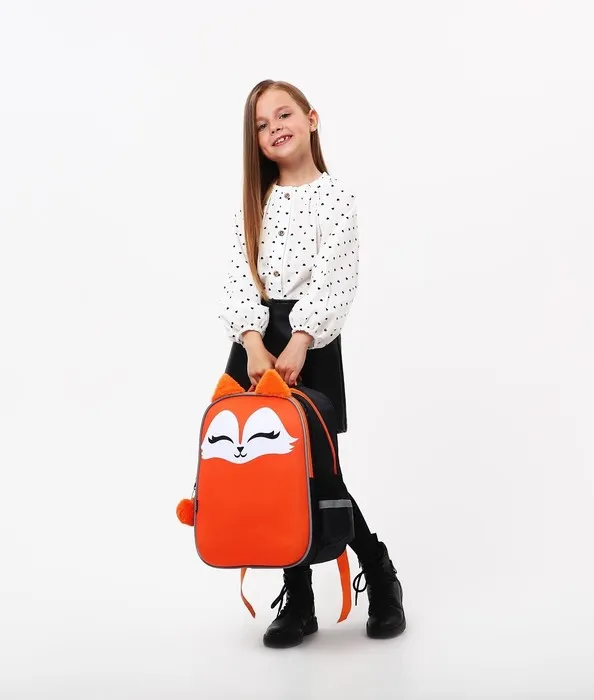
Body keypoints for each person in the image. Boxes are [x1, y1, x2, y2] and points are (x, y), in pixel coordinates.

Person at [217, 79, 406, 648]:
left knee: (319, 469)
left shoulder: (335, 198)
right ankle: (298, 599)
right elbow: (238, 275)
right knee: (271, 470)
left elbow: (335, 277)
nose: (275, 127)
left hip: (311, 342)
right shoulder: (255, 202)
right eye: (261, 124)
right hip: (256, 343)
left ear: (311, 118)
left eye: (284, 114)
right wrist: (253, 344)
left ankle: (379, 571)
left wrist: (302, 340)